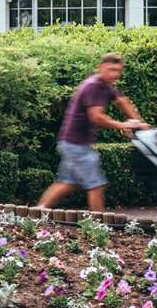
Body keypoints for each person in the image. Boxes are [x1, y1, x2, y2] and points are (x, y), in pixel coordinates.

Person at [37, 52, 149, 212]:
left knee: (66, 183)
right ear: (100, 67)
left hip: (72, 143)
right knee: (96, 185)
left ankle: (37, 213)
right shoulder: (93, 85)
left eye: (118, 70)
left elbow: (123, 102)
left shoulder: (106, 86)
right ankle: (99, 226)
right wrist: (122, 125)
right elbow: (96, 117)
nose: (115, 74)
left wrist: (140, 123)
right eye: (111, 69)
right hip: (76, 144)